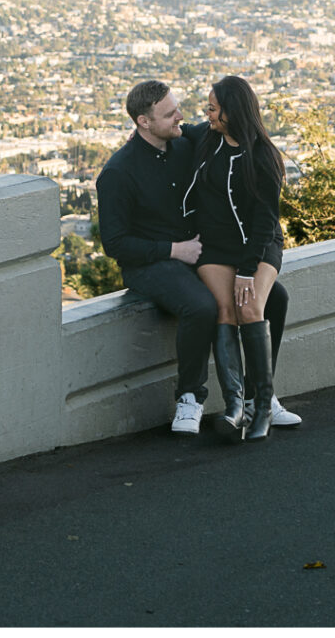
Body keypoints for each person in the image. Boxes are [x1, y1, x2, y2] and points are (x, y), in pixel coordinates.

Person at [95, 80, 300, 436]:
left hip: (201, 251)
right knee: (202, 306)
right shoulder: (118, 172)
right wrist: (174, 250)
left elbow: (235, 124)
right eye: (170, 113)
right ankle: (190, 396)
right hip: (152, 261)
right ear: (143, 123)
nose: (181, 116)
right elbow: (115, 244)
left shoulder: (189, 142)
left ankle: (257, 399)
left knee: (275, 297)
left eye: (178, 108)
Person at [181, 75, 289, 442]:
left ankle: (262, 407)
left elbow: (265, 220)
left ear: (232, 111)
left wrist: (247, 270)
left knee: (249, 308)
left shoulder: (263, 156)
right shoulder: (206, 138)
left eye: (213, 108)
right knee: (224, 309)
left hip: (257, 244)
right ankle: (234, 407)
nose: (207, 114)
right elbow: (174, 131)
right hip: (215, 245)